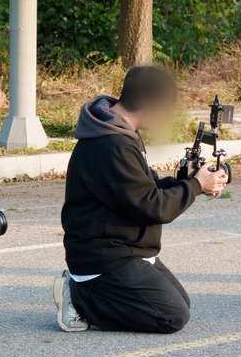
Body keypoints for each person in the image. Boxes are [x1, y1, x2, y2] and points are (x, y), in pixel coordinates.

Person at [55, 65, 228, 334]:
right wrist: (195, 185)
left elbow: (145, 187)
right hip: (104, 258)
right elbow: (153, 207)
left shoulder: (121, 131)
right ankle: (81, 299)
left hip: (127, 250)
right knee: (170, 316)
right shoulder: (112, 145)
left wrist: (193, 183)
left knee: (181, 303)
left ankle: (91, 292)